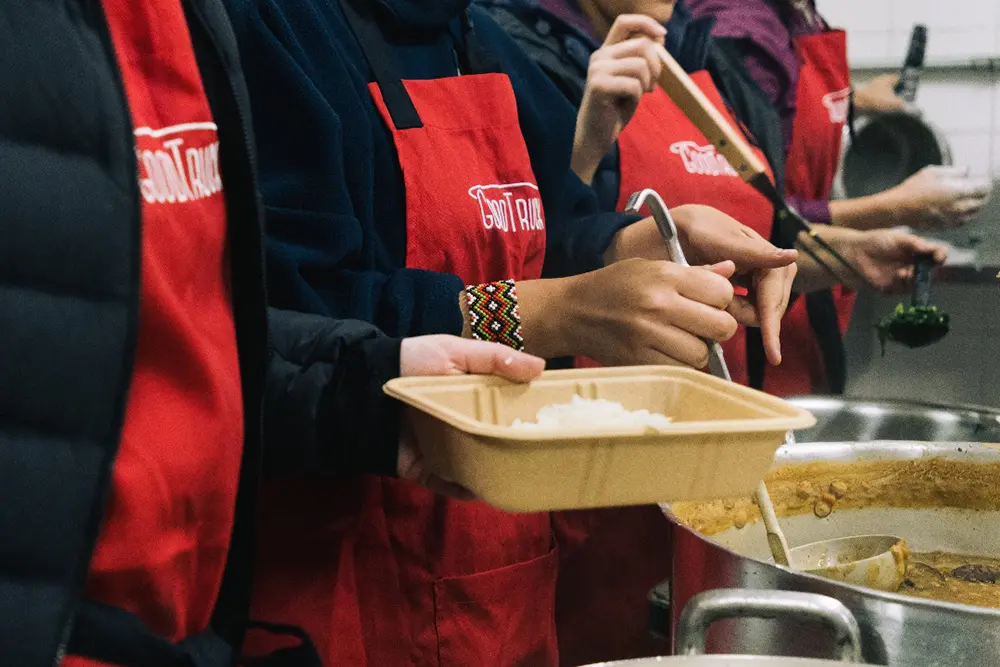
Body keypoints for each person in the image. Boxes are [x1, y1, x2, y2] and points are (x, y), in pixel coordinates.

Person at [221, 0, 802, 664]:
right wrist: (548, 313)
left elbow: (556, 222)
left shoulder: (477, 38)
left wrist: (642, 241)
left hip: (504, 570)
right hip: (351, 584)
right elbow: (288, 316)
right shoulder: (275, 26)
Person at [0, 3, 552, 667]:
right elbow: (306, 286)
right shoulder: (274, 21)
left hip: (194, 619)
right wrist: (516, 312)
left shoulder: (192, 21)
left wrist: (369, 391)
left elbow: (206, 330)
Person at [480, 0, 950, 663]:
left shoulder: (718, 63)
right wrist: (586, 152)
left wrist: (837, 258)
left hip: (726, 440)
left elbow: (757, 236)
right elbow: (540, 253)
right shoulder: (519, 54)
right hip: (606, 469)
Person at [683, 0, 990, 397]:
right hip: (756, 311)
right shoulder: (740, 35)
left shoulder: (798, 15)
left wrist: (856, 100)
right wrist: (894, 208)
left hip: (804, 284)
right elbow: (751, 214)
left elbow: (780, 108)